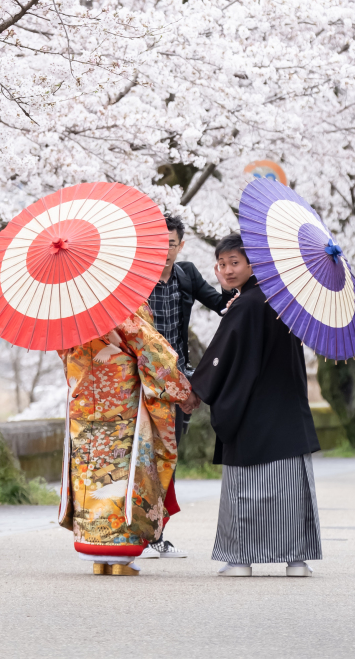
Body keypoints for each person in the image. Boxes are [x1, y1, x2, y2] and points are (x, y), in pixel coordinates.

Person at [189, 233, 322, 577]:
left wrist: (196, 389)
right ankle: (297, 560)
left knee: (247, 489)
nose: (228, 270)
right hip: (287, 409)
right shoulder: (281, 298)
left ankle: (240, 559)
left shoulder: (247, 305)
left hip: (252, 411)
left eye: (235, 263)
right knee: (293, 488)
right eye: (221, 264)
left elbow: (222, 355)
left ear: (252, 264)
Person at [58, 304, 193, 576]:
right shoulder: (120, 305)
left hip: (83, 405)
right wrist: (182, 390)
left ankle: (96, 555)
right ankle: (121, 557)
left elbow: (66, 357)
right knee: (121, 473)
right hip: (121, 405)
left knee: (89, 474)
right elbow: (153, 353)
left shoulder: (67, 308)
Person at [143, 212, 234, 558]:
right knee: (140, 457)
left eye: (170, 243)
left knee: (168, 459)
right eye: (158, 243)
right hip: (142, 383)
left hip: (178, 380)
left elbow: (221, 305)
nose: (164, 250)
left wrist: (238, 291)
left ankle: (157, 533)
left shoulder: (187, 275)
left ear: (180, 245)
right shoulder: (135, 279)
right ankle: (132, 531)